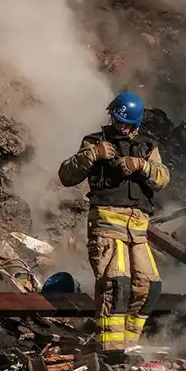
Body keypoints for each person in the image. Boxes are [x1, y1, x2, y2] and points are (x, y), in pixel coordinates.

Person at [58, 91, 170, 351]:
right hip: (107, 225)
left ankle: (128, 345)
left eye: (125, 122)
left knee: (148, 287)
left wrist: (140, 166)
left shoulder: (148, 147)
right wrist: (93, 155)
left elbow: (163, 179)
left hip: (137, 230)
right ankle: (110, 350)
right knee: (116, 285)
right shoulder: (95, 142)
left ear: (135, 123)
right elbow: (66, 175)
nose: (119, 126)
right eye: (116, 120)